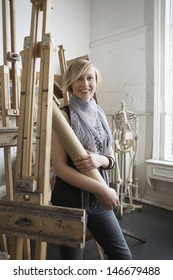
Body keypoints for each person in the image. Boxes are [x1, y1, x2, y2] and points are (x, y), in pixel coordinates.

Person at [51, 59, 132, 260]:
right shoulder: (64, 116)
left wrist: (100, 160)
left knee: (123, 258)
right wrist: (103, 189)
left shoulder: (100, 113)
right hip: (71, 201)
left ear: (96, 81)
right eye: (79, 78)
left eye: (90, 78)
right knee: (72, 264)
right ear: (70, 83)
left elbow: (110, 157)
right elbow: (60, 168)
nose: (85, 84)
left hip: (98, 202)